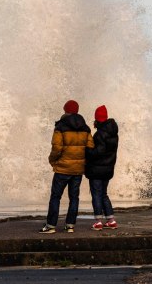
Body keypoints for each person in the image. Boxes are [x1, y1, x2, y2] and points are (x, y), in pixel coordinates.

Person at [40, 100, 94, 234]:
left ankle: (51, 225)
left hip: (62, 169)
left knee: (55, 197)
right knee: (74, 197)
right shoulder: (85, 128)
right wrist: (83, 162)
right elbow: (90, 147)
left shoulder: (60, 126)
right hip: (78, 170)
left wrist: (52, 160)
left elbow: (56, 148)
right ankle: (70, 225)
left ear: (65, 110)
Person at [85, 104, 119, 230]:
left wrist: (87, 150)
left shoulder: (100, 134)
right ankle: (111, 220)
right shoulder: (113, 134)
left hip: (97, 170)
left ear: (97, 119)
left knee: (96, 194)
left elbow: (98, 152)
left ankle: (98, 221)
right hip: (108, 168)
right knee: (103, 194)